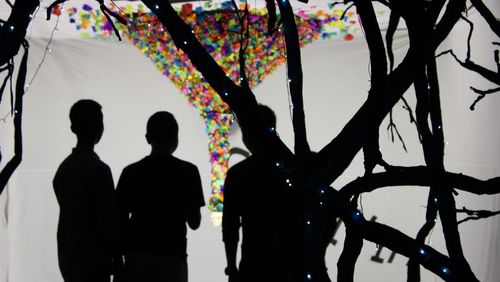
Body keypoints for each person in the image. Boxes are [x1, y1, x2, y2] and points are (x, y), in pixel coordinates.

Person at [116, 111, 205, 282]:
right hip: (172, 257)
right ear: (176, 138)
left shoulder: (131, 172)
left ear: (148, 138)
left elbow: (119, 221)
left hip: (136, 259)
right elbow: (195, 223)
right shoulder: (189, 172)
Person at [222, 105, 301, 282]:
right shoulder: (293, 171)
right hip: (288, 265)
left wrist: (231, 267)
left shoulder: (238, 174)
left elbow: (230, 226)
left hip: (253, 264)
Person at [53, 100, 120, 282]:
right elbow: (107, 221)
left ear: (73, 127)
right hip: (94, 261)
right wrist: (117, 259)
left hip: (68, 256)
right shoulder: (99, 170)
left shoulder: (64, 169)